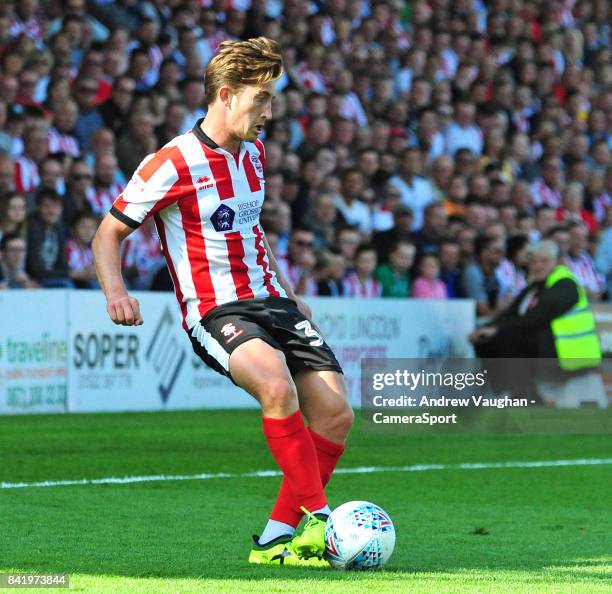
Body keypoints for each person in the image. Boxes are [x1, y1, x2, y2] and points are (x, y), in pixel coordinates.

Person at [92, 37, 352, 567]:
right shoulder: (171, 161)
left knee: (336, 415)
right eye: (262, 100)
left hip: (272, 300)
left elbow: (253, 230)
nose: (269, 114)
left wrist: (289, 291)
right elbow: (106, 234)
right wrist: (116, 293)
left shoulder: (254, 154)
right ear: (227, 95)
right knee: (276, 386)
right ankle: (321, 520)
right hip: (217, 309)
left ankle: (277, 539)